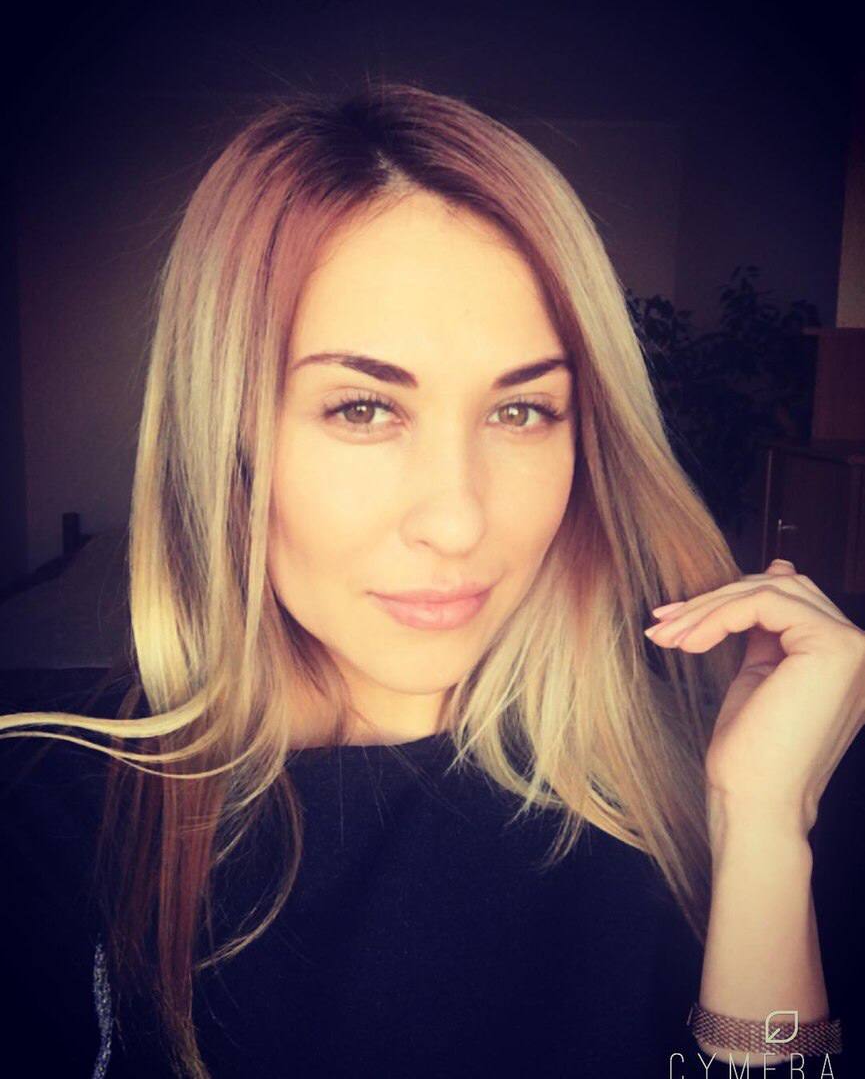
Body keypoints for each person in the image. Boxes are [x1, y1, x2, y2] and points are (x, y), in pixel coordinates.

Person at [1, 79, 861, 1079]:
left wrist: (764, 833)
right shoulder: (53, 820)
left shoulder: (739, 761)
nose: (458, 522)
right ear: (225, 434)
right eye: (362, 409)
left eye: (520, 411)